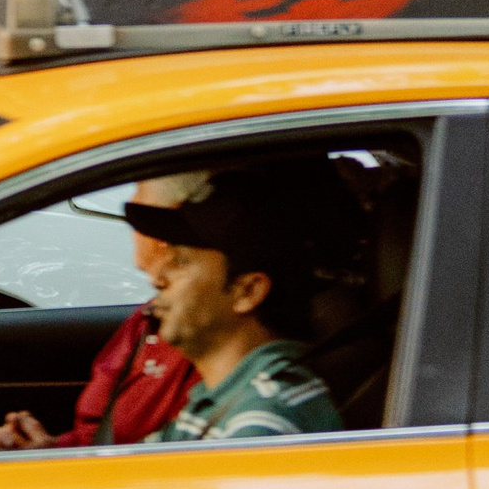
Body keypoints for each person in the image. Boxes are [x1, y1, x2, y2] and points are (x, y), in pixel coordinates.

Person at [0, 173, 201, 451]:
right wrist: (48, 451)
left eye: (139, 197)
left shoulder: (210, 343)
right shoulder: (150, 322)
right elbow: (99, 441)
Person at [121, 169, 347, 444]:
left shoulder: (262, 423)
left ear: (247, 292)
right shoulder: (223, 397)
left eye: (180, 262)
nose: (157, 278)